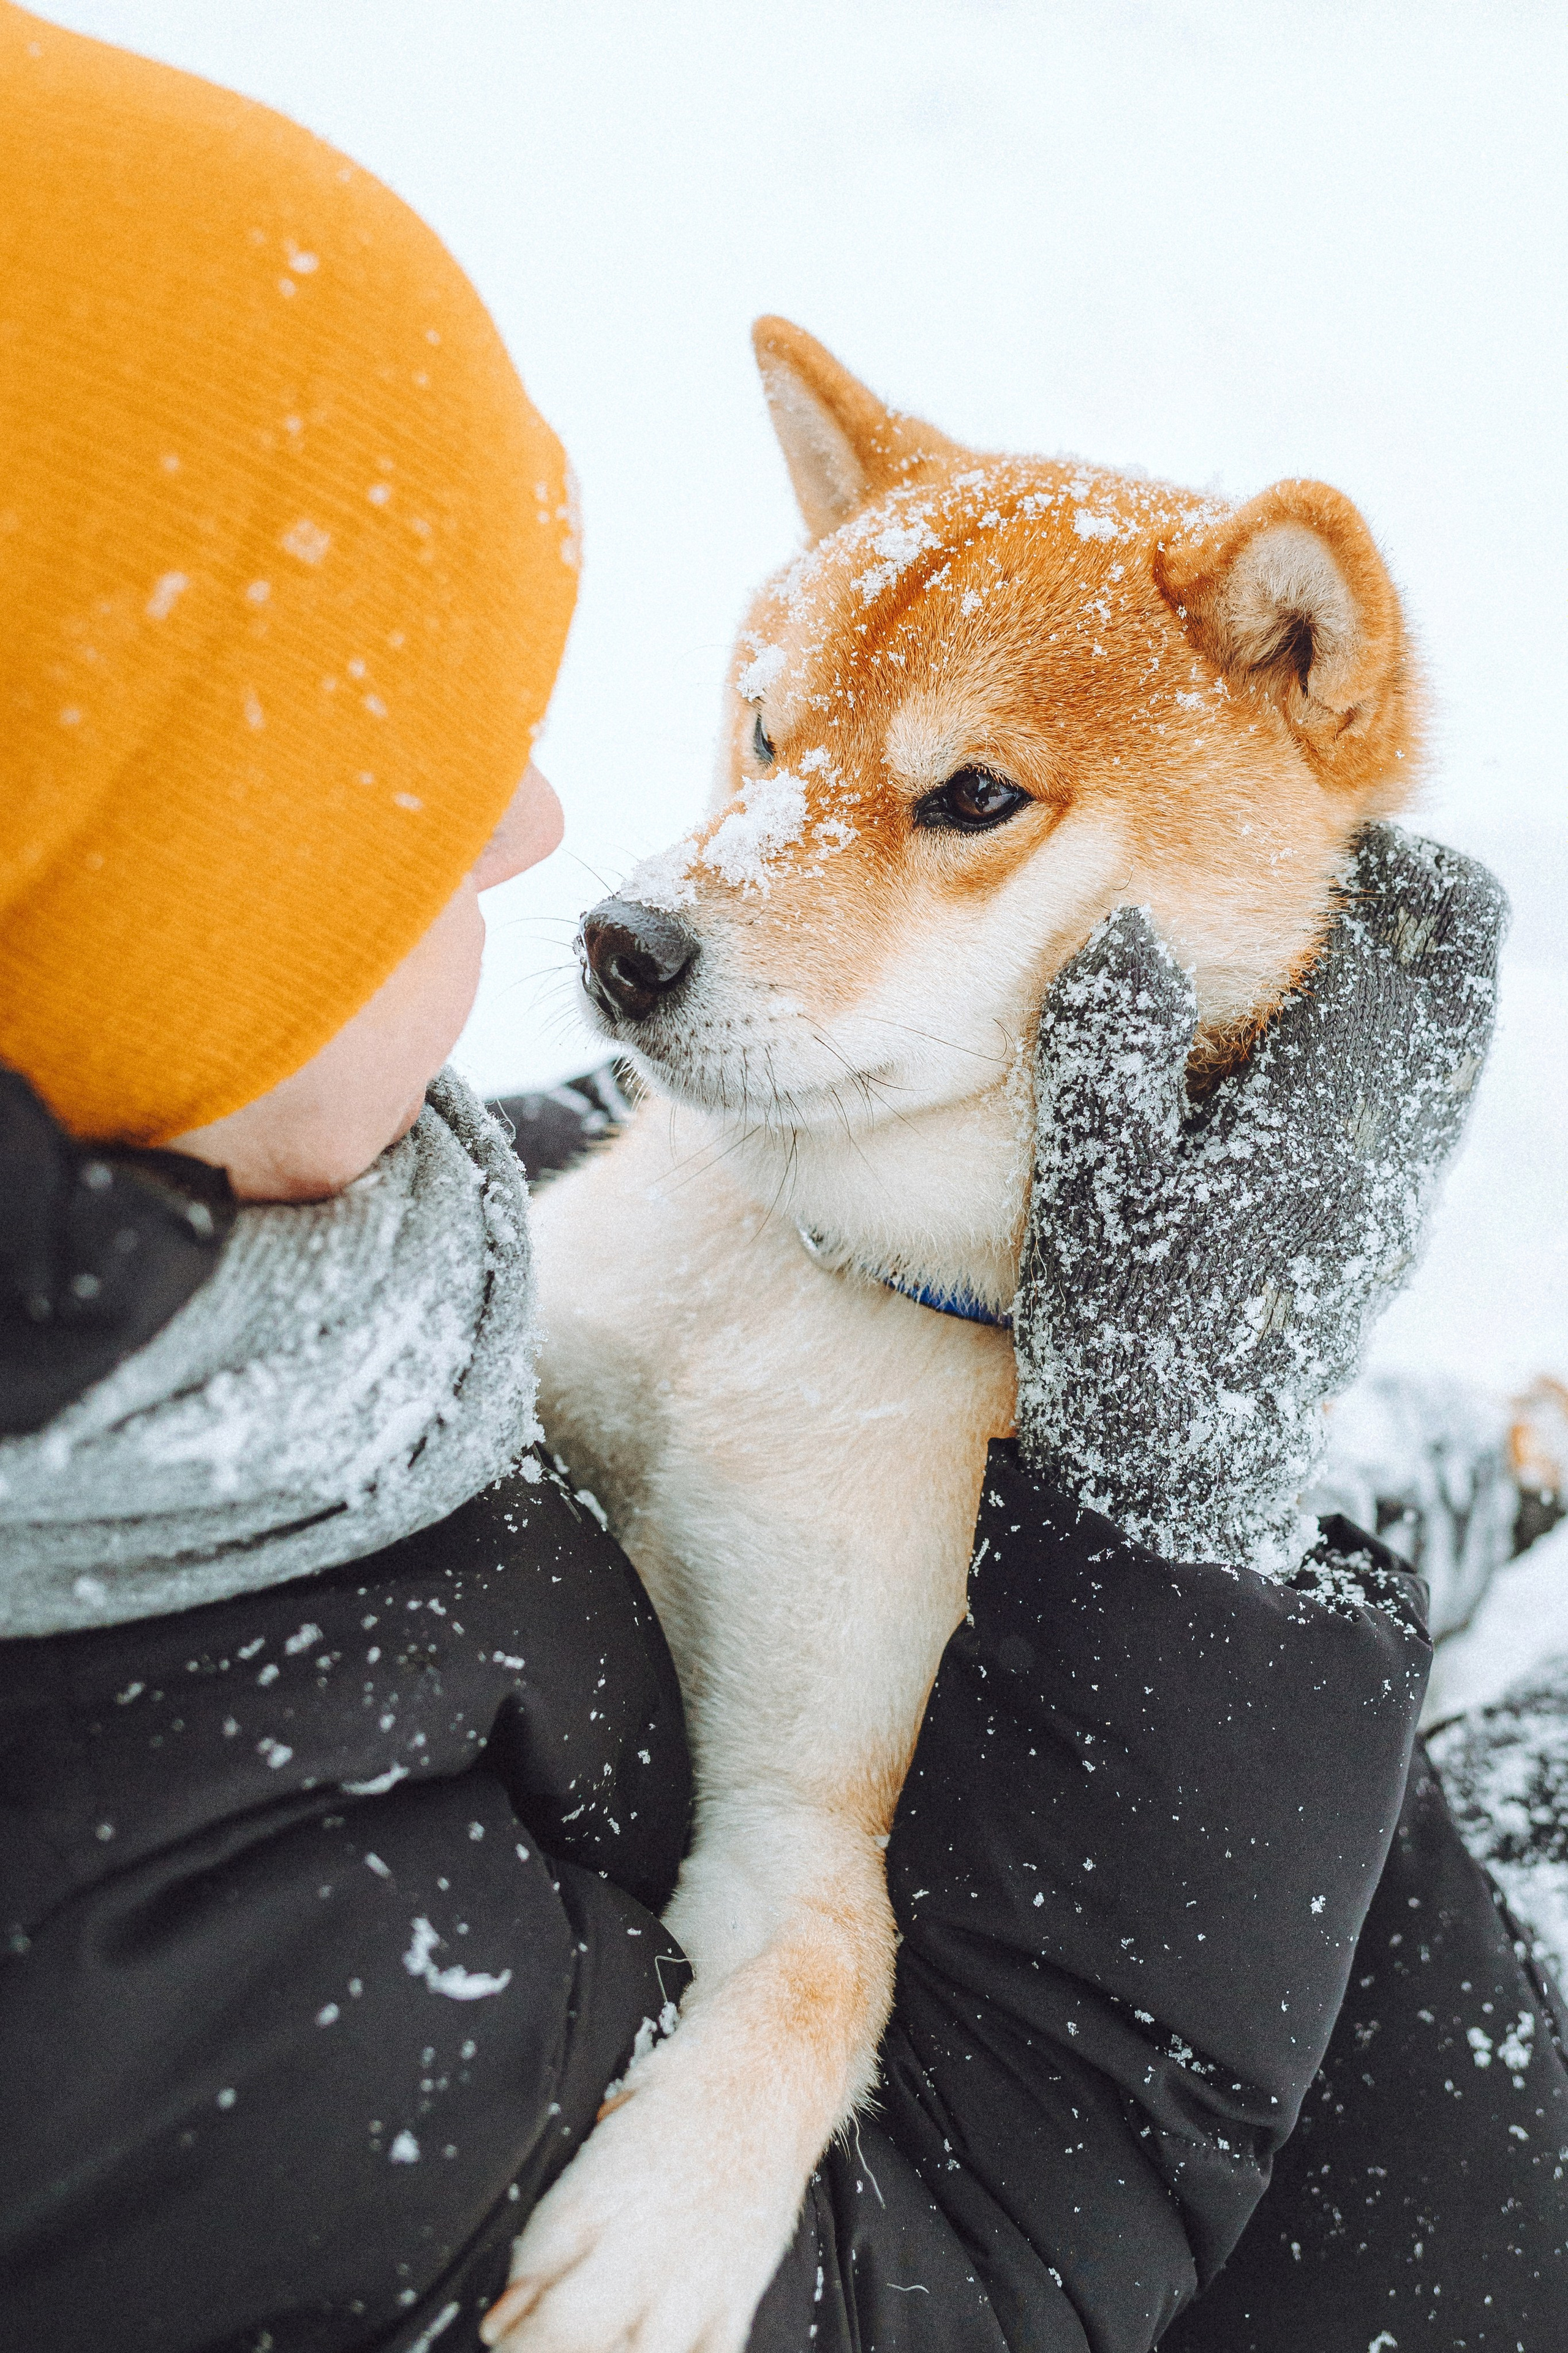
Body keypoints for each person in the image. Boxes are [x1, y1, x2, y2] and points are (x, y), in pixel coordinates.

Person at [0, 10, 1561, 2352]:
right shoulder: (154, 1945)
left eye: (953, 805)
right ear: (132, 930)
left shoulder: (222, 1241)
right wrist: (1183, 1497)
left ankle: (1442, 1499)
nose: (585, 853)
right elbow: (968, 2244)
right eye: (410, 800)